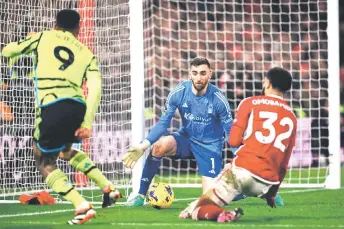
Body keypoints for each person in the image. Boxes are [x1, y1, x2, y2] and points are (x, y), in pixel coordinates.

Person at [1, 9, 121, 224]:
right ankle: (107, 187)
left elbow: (8, 52)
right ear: (78, 28)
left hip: (53, 104)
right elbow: (96, 87)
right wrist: (87, 121)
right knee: (65, 150)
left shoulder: (43, 36)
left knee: (44, 160)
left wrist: (27, 40)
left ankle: (80, 204)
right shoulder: (87, 53)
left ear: (55, 24)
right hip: (77, 106)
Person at [179, 67, 297, 223]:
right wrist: (272, 194)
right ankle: (220, 209)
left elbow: (233, 141)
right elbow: (284, 164)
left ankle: (220, 214)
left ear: (267, 83)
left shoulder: (250, 102)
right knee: (218, 193)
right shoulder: (292, 116)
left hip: (241, 172)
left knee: (196, 211)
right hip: (266, 183)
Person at [122, 57, 233, 206]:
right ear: (190, 74)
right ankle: (141, 195)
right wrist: (144, 145)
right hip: (186, 139)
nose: (198, 78)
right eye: (195, 73)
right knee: (160, 145)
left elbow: (230, 132)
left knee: (211, 197)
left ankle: (255, 190)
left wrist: (240, 158)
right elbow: (163, 123)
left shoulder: (219, 99)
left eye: (202, 73)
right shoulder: (179, 92)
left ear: (210, 74)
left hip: (210, 147)